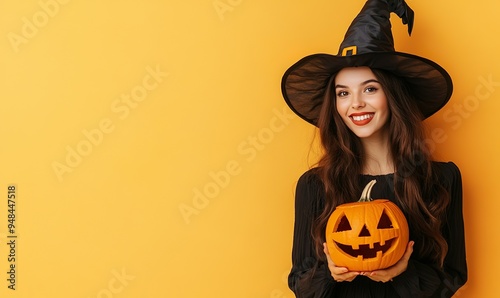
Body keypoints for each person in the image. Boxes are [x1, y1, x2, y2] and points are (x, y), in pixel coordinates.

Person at [280, 0, 467, 297]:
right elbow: (300, 284)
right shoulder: (315, 185)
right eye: (343, 93)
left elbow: (452, 279)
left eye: (370, 88)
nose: (356, 103)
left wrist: (403, 273)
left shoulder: (441, 179)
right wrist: (330, 274)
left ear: (392, 95)